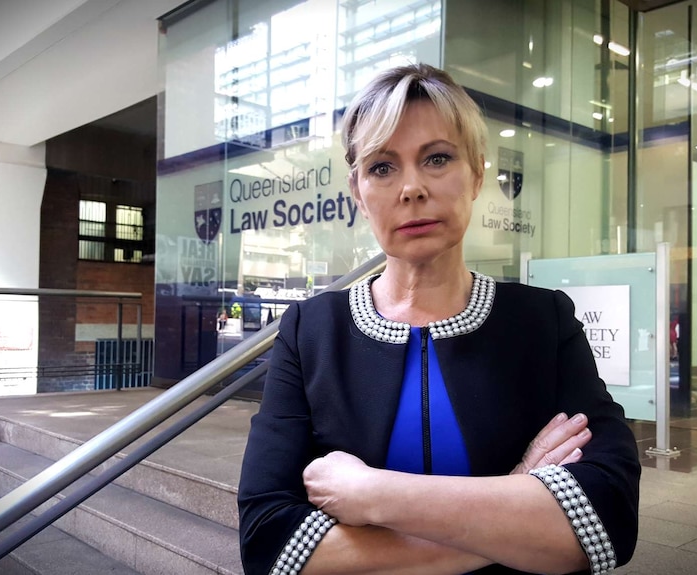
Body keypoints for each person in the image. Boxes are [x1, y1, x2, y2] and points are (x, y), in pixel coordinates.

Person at [238, 63, 640, 575]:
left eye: (437, 158)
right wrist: (518, 493)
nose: (411, 188)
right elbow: (268, 544)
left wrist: (375, 494)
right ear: (358, 192)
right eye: (382, 167)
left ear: (476, 174)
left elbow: (607, 520)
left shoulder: (543, 321)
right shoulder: (311, 331)